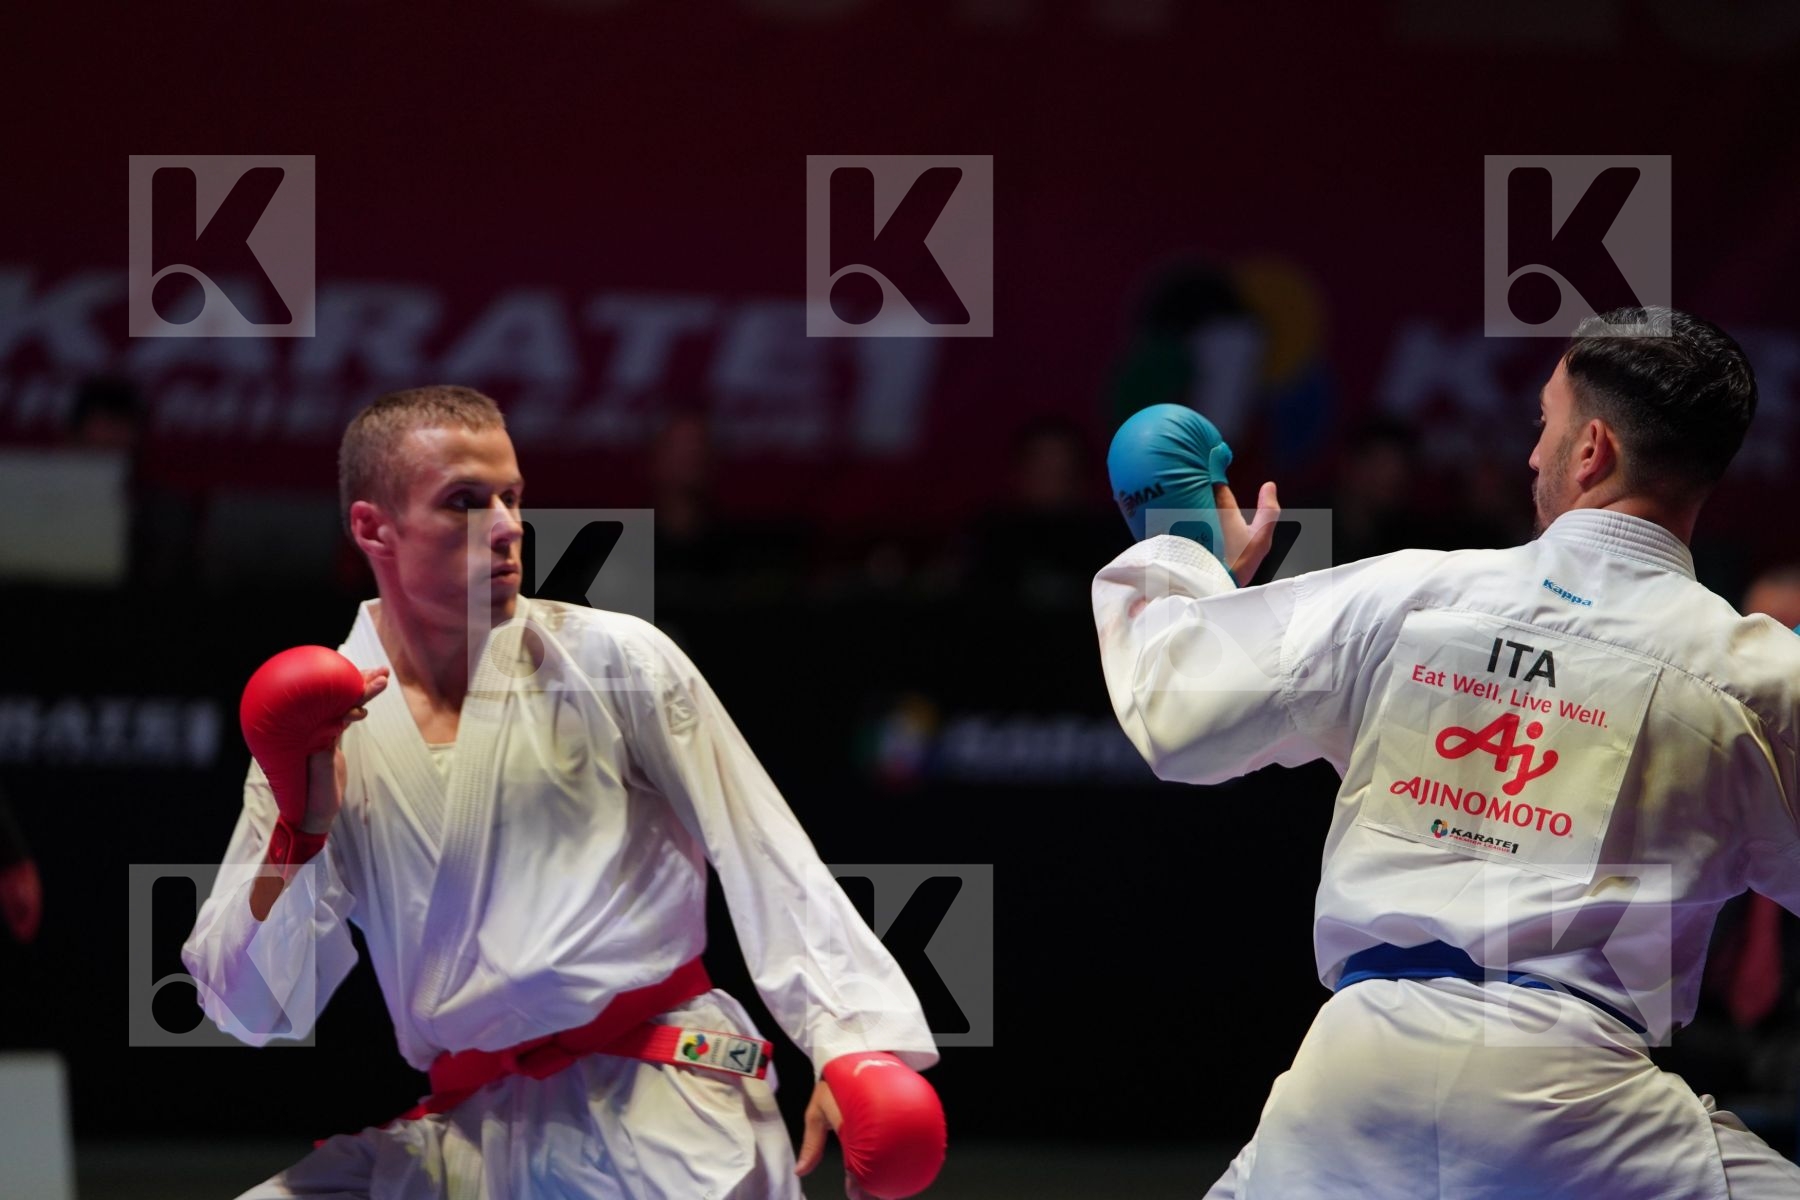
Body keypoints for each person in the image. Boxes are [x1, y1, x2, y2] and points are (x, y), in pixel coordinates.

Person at [1094, 308, 1800, 1196]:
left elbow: (1177, 712)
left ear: (1591, 451)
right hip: (1583, 1115)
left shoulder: (1408, 593)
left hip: (1352, 1082)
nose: (1531, 456)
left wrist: (1192, 557)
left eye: (1543, 426)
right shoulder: (1761, 680)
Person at [183, 386, 940, 1199]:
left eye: (512, 496)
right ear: (375, 528)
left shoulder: (615, 660)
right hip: (471, 1127)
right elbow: (253, 1010)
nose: (509, 527)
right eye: (466, 504)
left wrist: (853, 1040)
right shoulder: (320, 735)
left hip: (664, 1108)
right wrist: (300, 829)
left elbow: (765, 853)